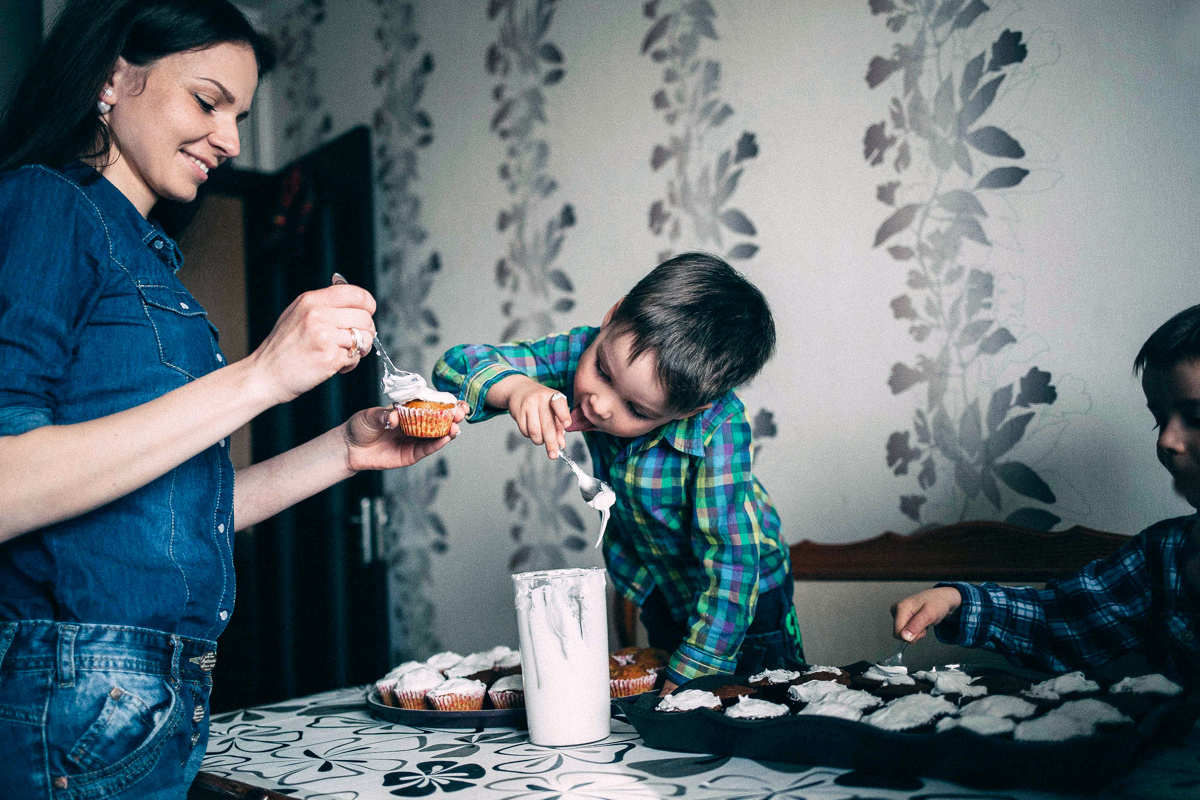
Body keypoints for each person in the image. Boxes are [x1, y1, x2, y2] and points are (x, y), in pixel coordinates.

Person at [0, 1, 464, 797]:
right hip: (71, 687)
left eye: (241, 115)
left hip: (152, 691)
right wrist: (263, 374)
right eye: (208, 101)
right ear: (114, 77)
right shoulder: (46, 205)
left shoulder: (147, 263)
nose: (233, 140)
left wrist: (344, 451)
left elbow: (165, 515)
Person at [434, 252, 803, 694]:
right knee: (673, 722)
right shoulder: (578, 350)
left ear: (690, 409)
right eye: (602, 372)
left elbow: (731, 558)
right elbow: (453, 368)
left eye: (636, 409)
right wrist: (516, 388)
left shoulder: (719, 427)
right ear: (612, 316)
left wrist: (698, 666)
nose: (599, 403)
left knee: (767, 705)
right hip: (659, 587)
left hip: (746, 599)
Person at [891, 304, 1200, 687]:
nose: (1166, 440)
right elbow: (1061, 620)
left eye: (1196, 417)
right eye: (1159, 419)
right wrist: (954, 600)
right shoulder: (1162, 554)